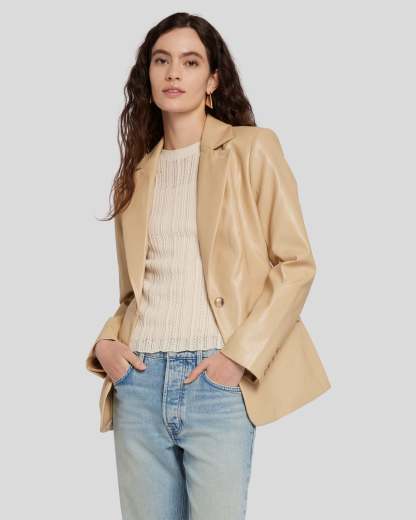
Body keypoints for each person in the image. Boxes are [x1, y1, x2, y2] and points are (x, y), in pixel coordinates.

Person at [85, 11, 331, 520]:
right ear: (148, 75)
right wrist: (107, 344)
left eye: (190, 62)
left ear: (212, 80)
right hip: (138, 383)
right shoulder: (137, 175)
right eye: (161, 61)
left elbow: (296, 264)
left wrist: (237, 358)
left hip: (215, 383)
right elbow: (134, 294)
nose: (174, 72)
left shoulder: (252, 150)